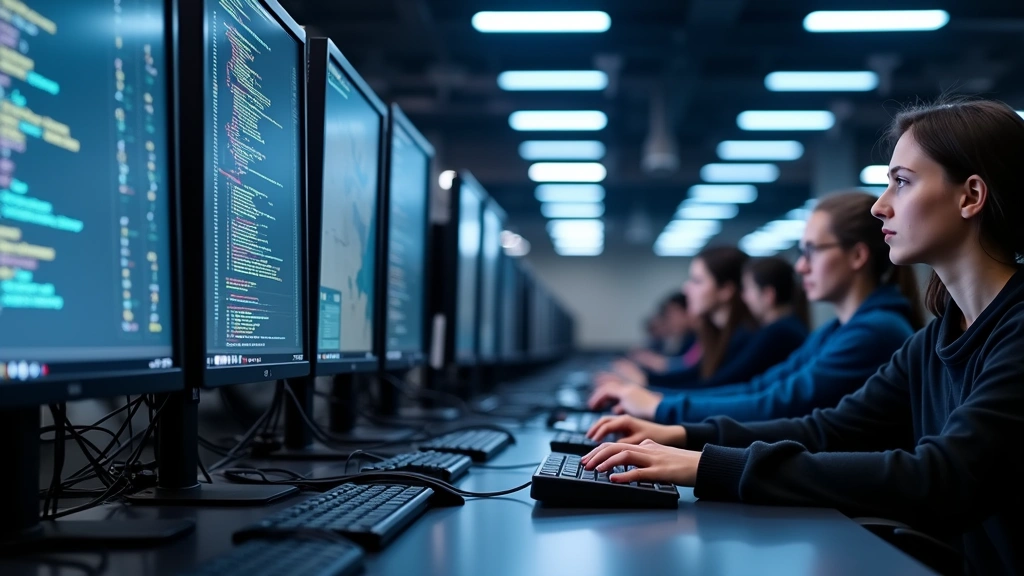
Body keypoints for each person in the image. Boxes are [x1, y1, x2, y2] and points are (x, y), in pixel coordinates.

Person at [581, 99, 1024, 575]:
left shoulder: (1015, 331)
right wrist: (685, 438)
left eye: (901, 181)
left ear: (970, 196)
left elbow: (940, 477)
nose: (880, 205)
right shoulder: (936, 338)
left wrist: (707, 464)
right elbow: (825, 429)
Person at [589, 191, 925, 422]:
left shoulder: (875, 332)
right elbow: (762, 388)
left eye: (811, 252)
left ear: (857, 256)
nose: (800, 267)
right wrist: (656, 402)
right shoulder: (837, 331)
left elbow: (778, 405)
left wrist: (663, 409)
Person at [630, 292, 699, 371]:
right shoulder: (686, 338)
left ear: (688, 312)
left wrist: (656, 363)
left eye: (671, 314)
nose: (669, 320)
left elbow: (689, 366)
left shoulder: (700, 339)